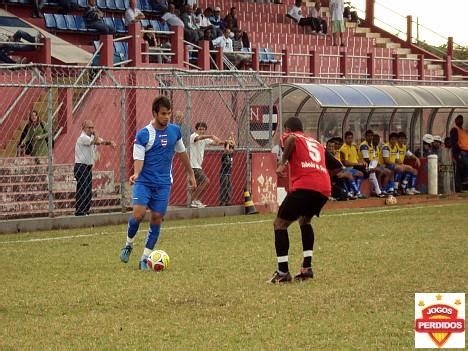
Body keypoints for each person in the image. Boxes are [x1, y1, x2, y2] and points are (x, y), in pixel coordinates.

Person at [119, 96, 196, 270]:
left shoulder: (175, 131)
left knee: (156, 218)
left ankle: (145, 259)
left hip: (163, 184)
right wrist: (136, 174)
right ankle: (129, 244)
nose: (166, 117)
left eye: (168, 113)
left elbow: (182, 153)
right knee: (138, 214)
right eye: (163, 113)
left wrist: (190, 173)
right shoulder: (143, 134)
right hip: (144, 182)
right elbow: (138, 158)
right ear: (155, 113)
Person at [270, 117, 342, 283]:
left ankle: (282, 272)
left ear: (288, 128)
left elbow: (292, 139)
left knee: (279, 224)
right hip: (323, 189)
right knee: (304, 221)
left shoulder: (291, 136)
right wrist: (319, 174)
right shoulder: (316, 142)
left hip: (304, 186)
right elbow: (338, 166)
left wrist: (282, 163)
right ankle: (307, 268)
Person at [74, 120, 115, 216]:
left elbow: (102, 141)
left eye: (93, 127)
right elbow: (94, 142)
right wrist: (96, 133)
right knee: (82, 188)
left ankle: (86, 210)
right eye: (89, 128)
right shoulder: (82, 138)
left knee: (88, 189)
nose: (92, 130)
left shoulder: (92, 137)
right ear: (83, 128)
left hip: (88, 167)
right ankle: (80, 211)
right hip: (81, 166)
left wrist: (110, 143)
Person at [189, 122, 224, 208]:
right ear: (196, 129)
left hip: (198, 165)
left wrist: (226, 142)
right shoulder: (193, 136)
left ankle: (194, 201)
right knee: (205, 181)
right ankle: (194, 200)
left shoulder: (204, 140)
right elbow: (199, 138)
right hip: (193, 165)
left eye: (203, 129)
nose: (201, 131)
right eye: (200, 129)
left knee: (198, 184)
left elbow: (216, 142)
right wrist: (211, 136)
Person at [450, 115, 468, 192]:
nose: (461, 121)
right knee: (462, 167)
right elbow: (454, 143)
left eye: (462, 119)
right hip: (460, 152)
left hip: (466, 151)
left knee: (465, 166)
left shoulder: (464, 131)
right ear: (456, 121)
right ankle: (460, 185)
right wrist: (457, 153)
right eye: (459, 119)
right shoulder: (454, 129)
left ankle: (465, 183)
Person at [220, 137, 235, 206]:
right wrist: (228, 143)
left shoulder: (231, 154)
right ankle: (223, 201)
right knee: (224, 187)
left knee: (229, 187)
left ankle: (227, 201)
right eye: (230, 148)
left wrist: (232, 137)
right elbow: (226, 149)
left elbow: (234, 145)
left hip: (228, 174)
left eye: (232, 149)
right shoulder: (225, 154)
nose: (231, 150)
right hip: (223, 173)